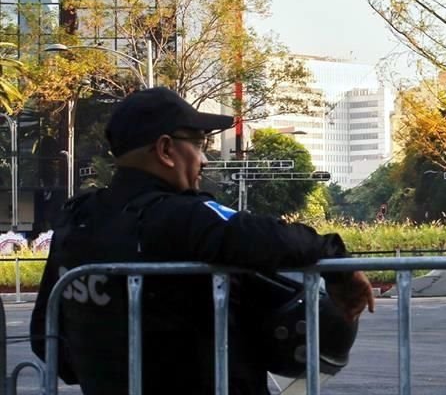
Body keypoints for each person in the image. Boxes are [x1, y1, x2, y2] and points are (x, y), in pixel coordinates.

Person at [30, 87, 375, 395]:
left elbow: (46, 338)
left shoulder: (76, 219)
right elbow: (269, 237)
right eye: (197, 143)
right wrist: (337, 260)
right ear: (166, 149)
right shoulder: (180, 215)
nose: (204, 158)